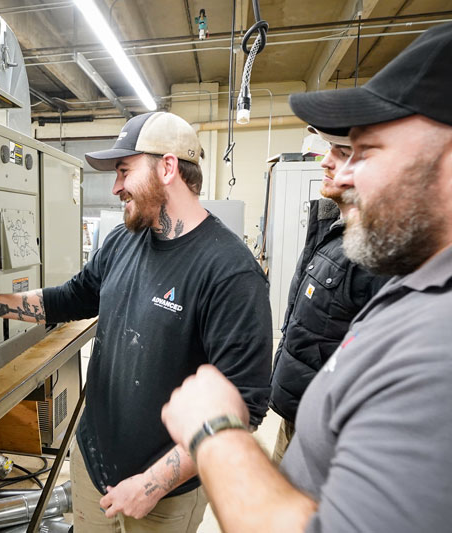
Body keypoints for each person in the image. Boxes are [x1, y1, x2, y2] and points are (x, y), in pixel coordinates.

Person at [160, 23, 452, 533]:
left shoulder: (440, 345)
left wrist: (216, 432)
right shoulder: (416, 281)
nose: (339, 177)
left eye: (367, 152)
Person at [0, 111, 272, 532]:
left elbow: (244, 407)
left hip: (163, 495)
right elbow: (72, 298)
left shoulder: (229, 271)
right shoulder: (123, 240)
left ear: (168, 167)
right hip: (93, 463)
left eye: (124, 171)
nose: (115, 188)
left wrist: (151, 484)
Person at [269, 128, 390, 463]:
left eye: (340, 152)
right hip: (297, 416)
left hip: (328, 438)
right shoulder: (334, 231)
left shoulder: (378, 254)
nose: (325, 162)